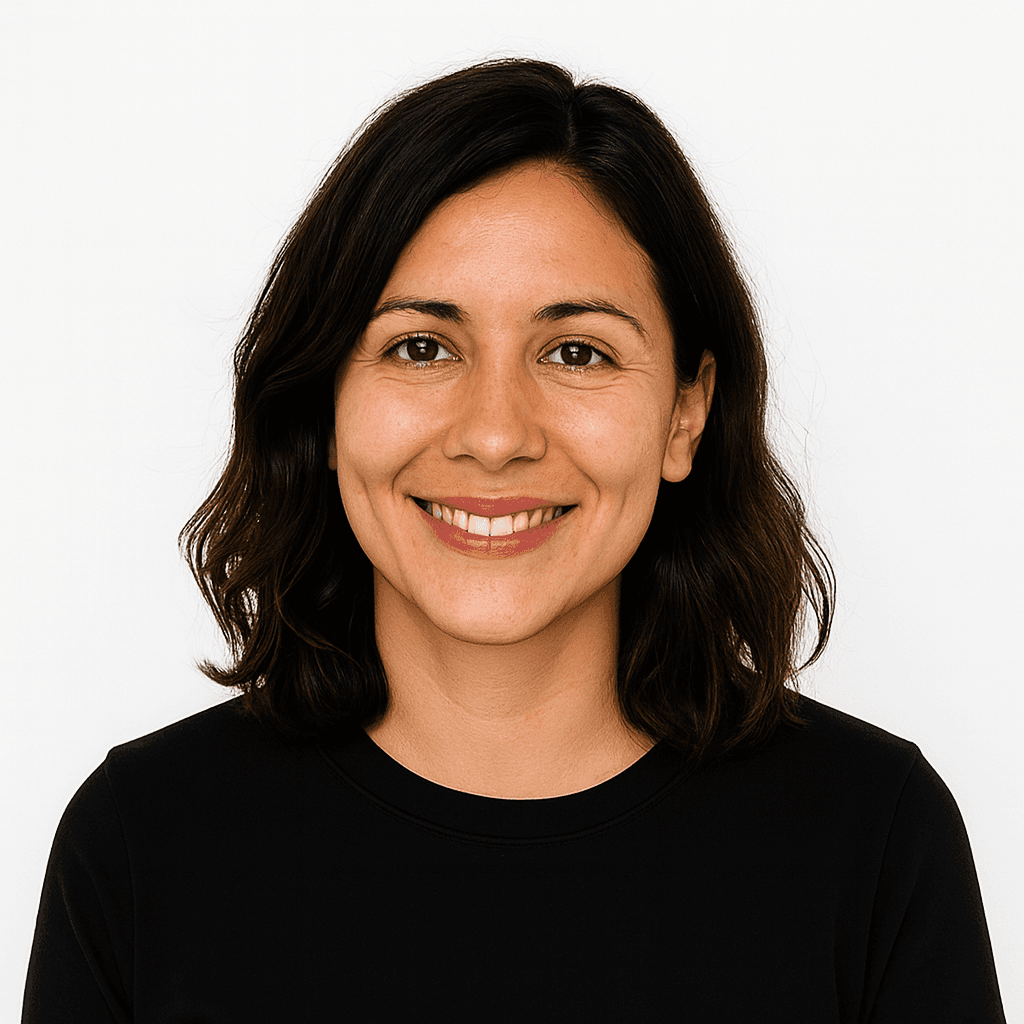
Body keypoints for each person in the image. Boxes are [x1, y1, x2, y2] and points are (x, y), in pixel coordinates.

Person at [22, 58, 1006, 1022]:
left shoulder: (871, 840)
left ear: (686, 415)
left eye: (576, 352)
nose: (494, 434)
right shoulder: (142, 845)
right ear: (323, 406)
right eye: (422, 346)